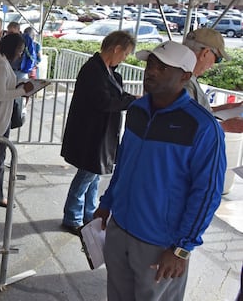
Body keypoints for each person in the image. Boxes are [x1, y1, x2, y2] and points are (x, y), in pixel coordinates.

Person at [94, 41, 225, 301]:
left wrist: (181, 249)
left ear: (185, 76)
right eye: (150, 64)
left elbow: (207, 194)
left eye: (163, 67)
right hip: (120, 229)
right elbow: (125, 164)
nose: (151, 71)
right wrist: (106, 204)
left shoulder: (202, 127)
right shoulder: (137, 110)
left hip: (160, 244)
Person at [59, 31, 137, 235]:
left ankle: (89, 214)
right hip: (91, 133)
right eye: (126, 53)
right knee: (87, 174)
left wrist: (132, 98)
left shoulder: (110, 72)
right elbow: (103, 101)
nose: (125, 58)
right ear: (117, 49)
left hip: (102, 134)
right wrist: (131, 101)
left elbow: (117, 96)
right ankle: (72, 216)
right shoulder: (93, 70)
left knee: (94, 175)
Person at [0, 33, 33, 207]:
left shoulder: (1, 61)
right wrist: (22, 91)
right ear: (11, 48)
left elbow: (2, 89)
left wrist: (19, 88)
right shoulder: (1, 64)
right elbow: (0, 94)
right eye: (19, 50)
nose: (20, 54)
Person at [182, 28, 243, 132]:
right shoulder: (183, 83)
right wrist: (225, 126)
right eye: (217, 59)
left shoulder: (180, 76)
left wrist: (228, 107)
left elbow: (197, 111)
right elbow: (182, 126)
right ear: (205, 53)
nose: (212, 65)